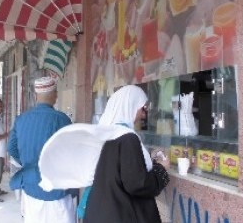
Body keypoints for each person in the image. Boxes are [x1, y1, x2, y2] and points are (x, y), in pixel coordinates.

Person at [38, 85, 170, 223]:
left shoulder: (107, 134)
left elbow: (120, 167)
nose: (144, 114)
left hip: (101, 210)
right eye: (143, 108)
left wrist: (148, 157)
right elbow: (137, 183)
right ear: (130, 105)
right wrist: (161, 169)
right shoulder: (127, 137)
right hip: (120, 215)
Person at [8, 77, 75, 223]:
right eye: (56, 92)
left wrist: (26, 161)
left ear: (36, 95)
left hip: (31, 187)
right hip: (58, 189)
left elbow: (11, 148)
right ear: (54, 95)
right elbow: (71, 152)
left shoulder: (21, 119)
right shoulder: (62, 119)